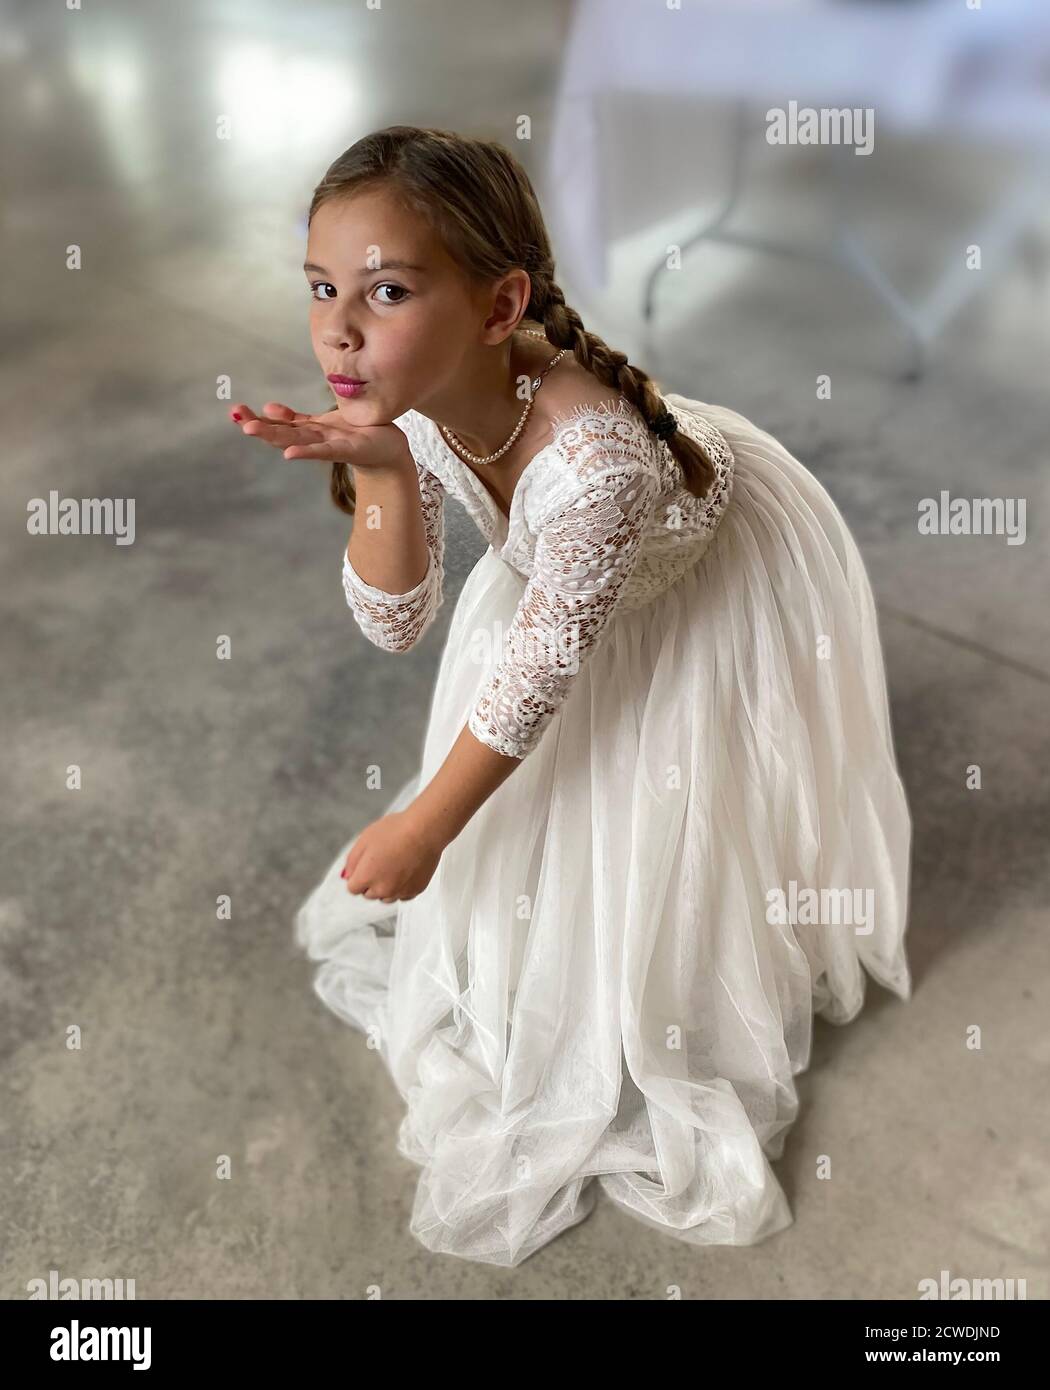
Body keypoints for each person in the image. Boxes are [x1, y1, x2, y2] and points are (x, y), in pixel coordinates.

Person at [231, 125, 912, 1268]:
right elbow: (397, 622)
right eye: (321, 288)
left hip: (688, 573)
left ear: (499, 309)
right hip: (557, 576)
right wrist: (389, 470)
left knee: (656, 806)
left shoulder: (598, 463)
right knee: (528, 787)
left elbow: (542, 672)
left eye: (387, 289)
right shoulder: (407, 389)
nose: (339, 328)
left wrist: (425, 827)